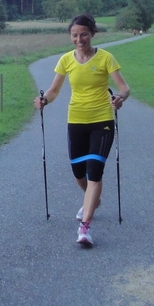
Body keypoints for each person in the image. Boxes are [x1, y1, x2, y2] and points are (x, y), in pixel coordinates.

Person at [34, 13, 130, 248]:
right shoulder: (66, 60)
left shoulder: (106, 58)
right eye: (75, 35)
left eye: (84, 34)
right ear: (70, 36)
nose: (79, 39)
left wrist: (119, 98)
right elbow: (54, 90)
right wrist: (44, 100)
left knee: (94, 171)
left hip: (102, 120)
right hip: (76, 119)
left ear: (92, 33)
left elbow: (123, 88)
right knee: (79, 173)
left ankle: (85, 227)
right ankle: (92, 199)